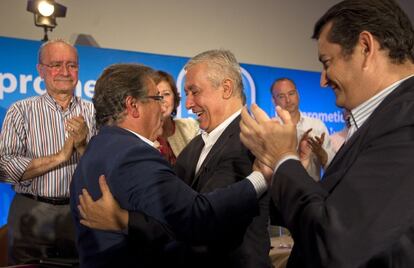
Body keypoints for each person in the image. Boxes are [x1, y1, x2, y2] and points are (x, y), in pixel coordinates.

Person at [239, 0, 414, 267]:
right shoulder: (385, 118)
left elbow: (336, 242)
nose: (322, 80)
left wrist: (284, 158)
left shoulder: (406, 118)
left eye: (326, 62)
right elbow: (329, 206)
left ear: (365, 48)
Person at [69, 63, 270, 268]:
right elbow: (195, 218)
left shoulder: (99, 146)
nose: (163, 107)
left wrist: (125, 220)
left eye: (195, 92)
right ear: (133, 106)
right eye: (157, 98)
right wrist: (261, 178)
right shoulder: (133, 154)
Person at [0, 39, 96, 265]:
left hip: (81, 212)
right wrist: (61, 156)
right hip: (32, 211)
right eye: (56, 65)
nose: (65, 71)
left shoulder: (94, 112)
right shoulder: (20, 111)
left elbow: (104, 170)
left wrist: (83, 145)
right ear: (40, 71)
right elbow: (5, 167)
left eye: (72, 65)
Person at [270, 77, 335, 181]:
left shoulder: (317, 126)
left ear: (298, 95)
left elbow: (333, 167)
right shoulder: (270, 128)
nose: (288, 100)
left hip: (313, 191)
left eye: (291, 93)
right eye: (281, 96)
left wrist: (320, 152)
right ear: (274, 100)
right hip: (280, 192)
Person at [153, 70, 198, 165]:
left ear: (175, 97)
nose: (161, 100)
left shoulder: (190, 127)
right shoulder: (142, 135)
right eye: (156, 95)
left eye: (166, 94)